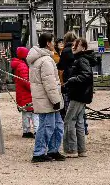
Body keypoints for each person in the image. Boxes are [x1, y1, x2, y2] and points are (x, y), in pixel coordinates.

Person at [27, 33, 65, 162]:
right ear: (48, 43)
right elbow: (50, 83)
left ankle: (53, 150)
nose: (54, 44)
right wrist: (56, 100)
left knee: (56, 125)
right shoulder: (46, 60)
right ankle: (39, 152)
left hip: (45, 99)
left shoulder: (41, 59)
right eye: (53, 42)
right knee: (47, 126)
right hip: (48, 100)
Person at [62, 38, 97, 158]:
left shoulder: (81, 60)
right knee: (79, 121)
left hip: (78, 94)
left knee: (69, 120)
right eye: (73, 44)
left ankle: (71, 149)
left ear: (83, 47)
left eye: (77, 45)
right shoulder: (83, 59)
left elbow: (86, 75)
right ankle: (81, 149)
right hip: (82, 94)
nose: (73, 47)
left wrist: (71, 81)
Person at [10, 46, 37, 138]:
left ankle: (26, 130)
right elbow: (25, 80)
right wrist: (33, 88)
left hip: (22, 94)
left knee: (26, 113)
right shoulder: (23, 66)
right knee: (34, 112)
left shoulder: (18, 65)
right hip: (27, 93)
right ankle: (37, 130)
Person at [56, 31, 77, 119]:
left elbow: (61, 66)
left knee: (69, 106)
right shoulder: (77, 49)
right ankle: (83, 128)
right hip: (78, 79)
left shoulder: (65, 51)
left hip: (68, 80)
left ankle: (70, 129)